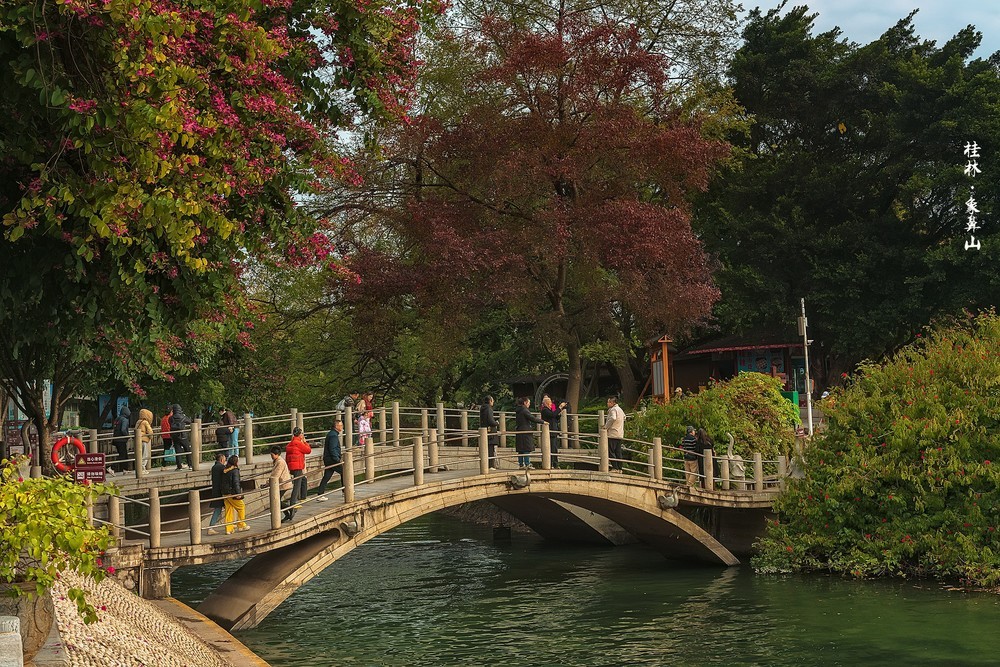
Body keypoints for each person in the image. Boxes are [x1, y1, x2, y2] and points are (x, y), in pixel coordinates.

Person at [285, 427, 312, 520]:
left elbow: (287, 455)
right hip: (298, 466)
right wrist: (305, 442)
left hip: (291, 466)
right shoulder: (299, 443)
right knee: (297, 485)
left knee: (301, 480)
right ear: (300, 435)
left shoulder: (290, 444)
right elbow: (308, 450)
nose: (302, 435)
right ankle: (293, 503)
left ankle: (301, 498)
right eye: (302, 434)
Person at [514, 397, 544, 469]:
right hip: (525, 431)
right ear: (525, 402)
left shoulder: (518, 410)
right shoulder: (524, 410)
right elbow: (532, 418)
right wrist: (542, 421)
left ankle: (521, 464)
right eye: (529, 403)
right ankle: (527, 464)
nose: (529, 404)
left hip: (519, 429)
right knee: (526, 448)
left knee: (521, 449)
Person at [316, 420, 343, 500]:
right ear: (336, 426)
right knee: (345, 472)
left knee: (327, 476)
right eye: (341, 425)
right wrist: (337, 459)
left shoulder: (331, 434)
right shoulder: (333, 435)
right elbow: (332, 449)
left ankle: (320, 494)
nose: (342, 427)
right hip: (332, 459)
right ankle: (346, 490)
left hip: (328, 459)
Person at [222, 455, 249, 534]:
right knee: (241, 507)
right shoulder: (235, 470)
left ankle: (229, 529)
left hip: (225, 493)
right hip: (232, 493)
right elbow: (236, 482)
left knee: (229, 510)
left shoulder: (225, 470)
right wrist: (238, 493)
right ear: (235, 462)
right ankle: (241, 525)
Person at [539, 395, 568, 468]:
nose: (551, 404)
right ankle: (552, 464)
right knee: (552, 448)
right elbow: (552, 415)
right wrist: (559, 407)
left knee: (554, 448)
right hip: (550, 432)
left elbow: (555, 417)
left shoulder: (549, 410)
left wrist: (560, 412)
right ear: (546, 403)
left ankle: (555, 463)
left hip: (554, 431)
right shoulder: (545, 410)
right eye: (550, 403)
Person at [267, 445, 294, 520]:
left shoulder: (280, 462)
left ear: (276, 454)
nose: (271, 456)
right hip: (280, 484)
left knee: (276, 500)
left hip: (283, 484)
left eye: (272, 455)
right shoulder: (277, 461)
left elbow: (276, 474)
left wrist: (268, 483)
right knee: (277, 500)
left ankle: (291, 508)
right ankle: (287, 514)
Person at [206, 453, 228, 535]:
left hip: (215, 491)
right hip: (220, 492)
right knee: (219, 510)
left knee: (219, 509)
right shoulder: (221, 467)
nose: (225, 461)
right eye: (225, 459)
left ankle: (229, 524)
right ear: (222, 459)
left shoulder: (214, 467)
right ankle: (211, 527)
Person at [604, 396, 626, 471]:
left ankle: (615, 468)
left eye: (608, 402)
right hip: (619, 433)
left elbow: (613, 418)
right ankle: (620, 468)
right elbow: (624, 417)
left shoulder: (613, 409)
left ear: (612, 403)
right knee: (618, 452)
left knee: (611, 451)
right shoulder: (620, 409)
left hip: (612, 433)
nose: (607, 403)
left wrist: (606, 427)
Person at [479, 395, 500, 469]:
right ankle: (490, 465)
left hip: (484, 430)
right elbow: (491, 421)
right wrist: (496, 423)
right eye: (492, 400)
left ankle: (486, 465)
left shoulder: (482, 408)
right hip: (490, 431)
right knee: (490, 449)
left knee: (486, 449)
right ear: (490, 401)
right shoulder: (489, 409)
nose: (493, 402)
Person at [169, 403, 192, 470]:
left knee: (178, 451)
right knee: (187, 450)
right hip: (183, 436)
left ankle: (179, 466)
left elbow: (170, 423)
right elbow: (189, 421)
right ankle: (190, 465)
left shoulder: (171, 418)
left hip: (175, 436)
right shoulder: (183, 417)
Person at [112, 404, 132, 473]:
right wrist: (127, 435)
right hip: (121, 440)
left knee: (124, 455)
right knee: (122, 455)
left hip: (116, 439)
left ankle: (125, 469)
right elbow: (123, 429)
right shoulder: (125, 420)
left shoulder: (117, 419)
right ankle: (112, 467)